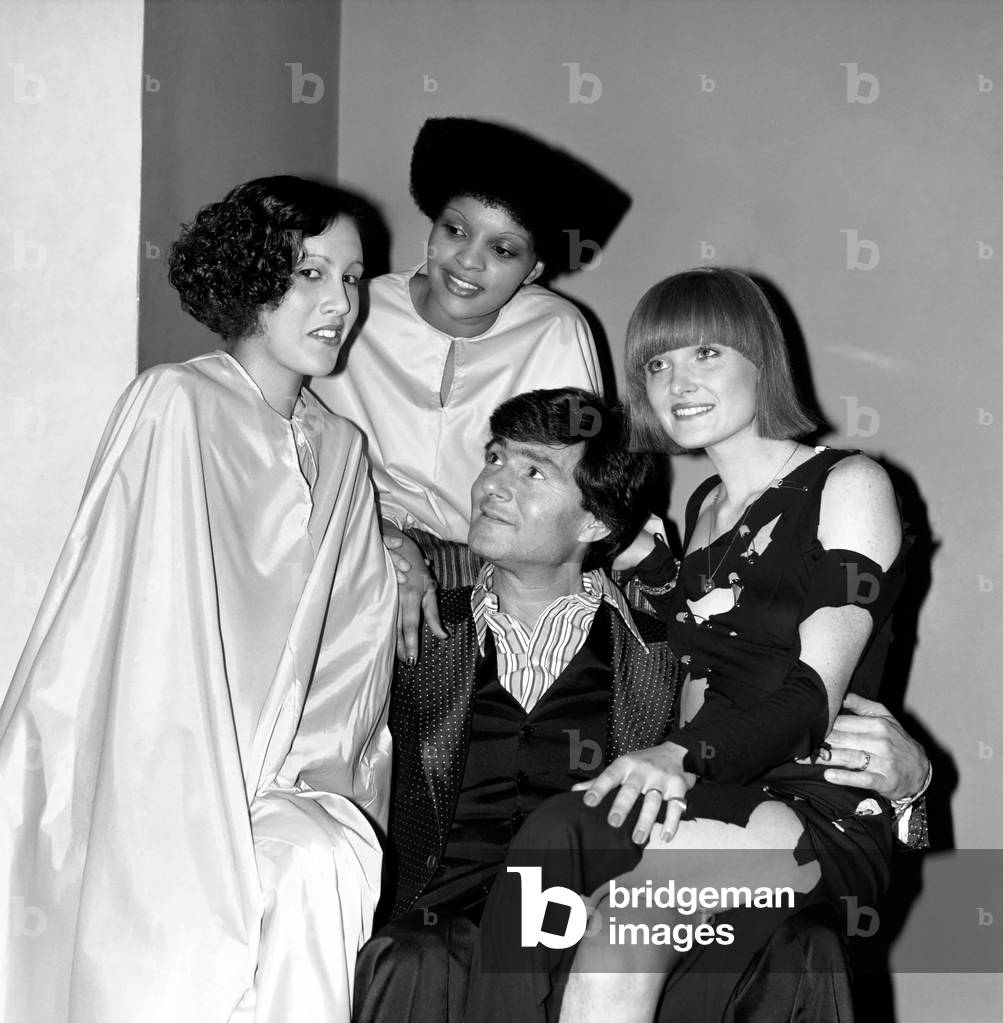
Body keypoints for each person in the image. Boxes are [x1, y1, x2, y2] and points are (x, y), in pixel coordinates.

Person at [353, 387, 929, 1023]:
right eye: (494, 458)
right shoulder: (409, 619)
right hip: (444, 911)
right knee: (415, 955)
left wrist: (910, 796)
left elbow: (781, 738)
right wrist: (385, 535)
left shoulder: (665, 652)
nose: (492, 484)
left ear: (595, 522)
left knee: (798, 944)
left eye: (532, 470)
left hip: (606, 903)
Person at [466, 269, 922, 1023]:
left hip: (815, 804)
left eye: (704, 353)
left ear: (760, 359)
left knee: (613, 904)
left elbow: (809, 690)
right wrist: (657, 571)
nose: (675, 380)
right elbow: (732, 636)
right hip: (720, 787)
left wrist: (675, 756)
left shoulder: (848, 483)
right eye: (655, 362)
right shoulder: (707, 505)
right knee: (558, 851)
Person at [0, 177, 397, 1023]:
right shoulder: (174, 403)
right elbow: (121, 629)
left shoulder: (344, 449)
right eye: (311, 273)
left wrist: (297, 780)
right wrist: (199, 798)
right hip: (149, 779)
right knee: (177, 939)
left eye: (354, 279)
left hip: (284, 781)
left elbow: (351, 658)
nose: (339, 304)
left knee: (318, 858)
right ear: (253, 278)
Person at [311, 117, 629, 660]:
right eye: (455, 230)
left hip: (508, 563)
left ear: (534, 270)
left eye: (504, 250)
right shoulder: (350, 309)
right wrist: (386, 542)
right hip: (361, 544)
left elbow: (572, 484)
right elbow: (301, 457)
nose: (468, 260)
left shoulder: (556, 329)